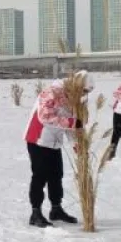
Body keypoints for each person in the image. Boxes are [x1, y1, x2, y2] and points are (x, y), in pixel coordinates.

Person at [24, 71, 90, 228]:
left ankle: (56, 209)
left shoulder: (71, 98)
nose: (83, 95)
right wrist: (73, 123)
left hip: (54, 141)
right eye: (84, 90)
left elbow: (71, 123)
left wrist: (77, 144)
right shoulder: (51, 92)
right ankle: (35, 212)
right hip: (38, 138)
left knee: (56, 175)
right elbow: (45, 116)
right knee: (40, 176)